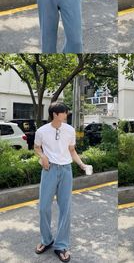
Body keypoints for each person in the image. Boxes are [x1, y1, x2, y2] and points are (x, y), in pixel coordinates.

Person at [34, 101, 88, 262]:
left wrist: (82, 164)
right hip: (49, 170)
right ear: (55, 114)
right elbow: (37, 147)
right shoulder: (42, 131)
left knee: (65, 208)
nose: (66, 114)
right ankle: (46, 240)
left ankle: (61, 245)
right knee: (44, 207)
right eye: (64, 112)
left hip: (66, 170)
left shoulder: (70, 130)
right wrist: (42, 156)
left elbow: (72, 150)